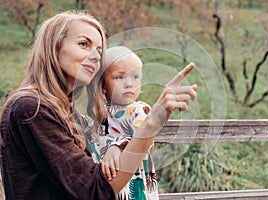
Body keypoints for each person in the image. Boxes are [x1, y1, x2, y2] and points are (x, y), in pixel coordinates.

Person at [0, 10, 197, 200]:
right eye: (84, 44)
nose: (95, 56)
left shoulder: (65, 110)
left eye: (99, 51)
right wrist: (150, 123)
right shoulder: (31, 108)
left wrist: (118, 146)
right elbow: (94, 191)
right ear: (54, 47)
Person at [89, 46, 158, 200]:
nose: (129, 84)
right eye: (120, 77)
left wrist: (117, 146)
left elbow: (145, 140)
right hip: (105, 184)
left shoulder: (139, 110)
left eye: (135, 77)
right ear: (103, 86)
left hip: (132, 184)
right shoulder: (100, 114)